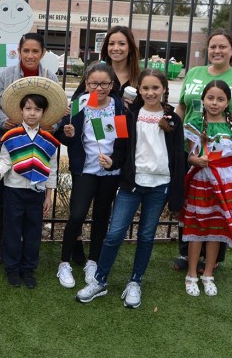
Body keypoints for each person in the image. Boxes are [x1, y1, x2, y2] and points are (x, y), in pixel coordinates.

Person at [75, 69, 185, 308]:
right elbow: (121, 149)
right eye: (145, 88)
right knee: (114, 234)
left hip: (160, 186)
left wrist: (176, 192)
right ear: (139, 90)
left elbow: (178, 156)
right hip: (132, 185)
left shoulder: (173, 119)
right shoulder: (127, 116)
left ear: (164, 89)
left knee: (146, 236)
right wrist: (112, 162)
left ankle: (135, 281)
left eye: (156, 88)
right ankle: (99, 281)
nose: (150, 92)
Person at [173, 28, 232, 271]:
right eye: (213, 46)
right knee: (191, 199)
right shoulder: (194, 72)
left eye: (223, 46)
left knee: (220, 202)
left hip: (224, 154)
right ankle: (186, 252)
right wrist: (173, 132)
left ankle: (213, 258)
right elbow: (182, 107)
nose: (217, 51)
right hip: (191, 149)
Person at [0, 32, 59, 266]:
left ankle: (25, 246)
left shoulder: (50, 77)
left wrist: (51, 125)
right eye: (26, 50)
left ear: (42, 53)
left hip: (37, 144)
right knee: (3, 195)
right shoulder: (7, 75)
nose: (30, 55)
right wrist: (4, 120)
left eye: (35, 51)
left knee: (29, 198)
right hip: (10, 140)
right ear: (19, 51)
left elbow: (56, 109)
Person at [0, 77, 67, 288]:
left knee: (32, 233)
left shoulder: (49, 140)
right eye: (28, 108)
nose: (32, 113)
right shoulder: (11, 136)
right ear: (21, 111)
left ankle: (28, 269)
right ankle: (12, 268)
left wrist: (48, 195)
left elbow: (52, 169)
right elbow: (5, 160)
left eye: (37, 109)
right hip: (13, 191)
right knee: (12, 231)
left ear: (43, 113)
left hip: (37, 193)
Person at [54, 62, 125, 289]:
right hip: (86, 170)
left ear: (112, 85)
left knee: (102, 216)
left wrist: (113, 160)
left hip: (109, 170)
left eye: (105, 83)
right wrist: (70, 133)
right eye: (94, 83)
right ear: (86, 84)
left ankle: (93, 261)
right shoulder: (79, 105)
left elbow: (123, 140)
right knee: (77, 215)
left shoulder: (119, 106)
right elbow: (66, 137)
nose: (99, 88)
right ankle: (64, 263)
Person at [180, 80, 232, 297]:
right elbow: (190, 155)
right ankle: (191, 273)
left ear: (228, 102)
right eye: (210, 98)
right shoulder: (194, 123)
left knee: (216, 230)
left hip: (227, 184)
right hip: (201, 182)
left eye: (220, 99)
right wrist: (196, 161)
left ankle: (208, 273)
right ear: (203, 100)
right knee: (197, 228)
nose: (214, 103)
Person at [100, 26, 140, 98]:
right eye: (111, 44)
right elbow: (75, 104)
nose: (115, 48)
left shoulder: (139, 78)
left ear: (130, 48)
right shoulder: (95, 73)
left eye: (121, 44)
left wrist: (128, 108)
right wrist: (96, 100)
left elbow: (147, 107)